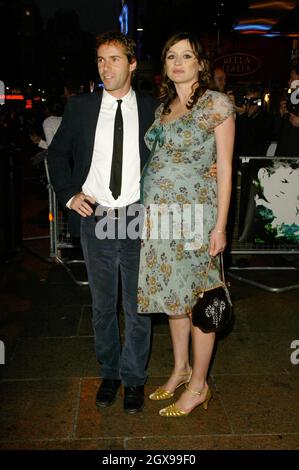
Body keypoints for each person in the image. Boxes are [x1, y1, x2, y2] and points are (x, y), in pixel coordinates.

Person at [47, 32, 157, 414]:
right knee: (102, 305)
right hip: (96, 219)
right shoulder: (80, 107)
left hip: (135, 217)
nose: (106, 67)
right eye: (100, 59)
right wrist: (69, 195)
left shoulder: (153, 107)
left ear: (132, 63)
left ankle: (134, 379)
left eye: (114, 59)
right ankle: (110, 372)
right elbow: (56, 155)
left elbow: (174, 155)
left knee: (138, 306)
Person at [137, 32, 235, 417]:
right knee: (173, 298)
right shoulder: (165, 108)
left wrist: (220, 226)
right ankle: (180, 369)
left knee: (197, 300)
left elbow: (225, 167)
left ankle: (199, 386)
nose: (178, 62)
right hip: (161, 219)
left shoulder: (215, 103)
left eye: (187, 56)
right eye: (171, 56)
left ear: (200, 64)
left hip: (197, 217)